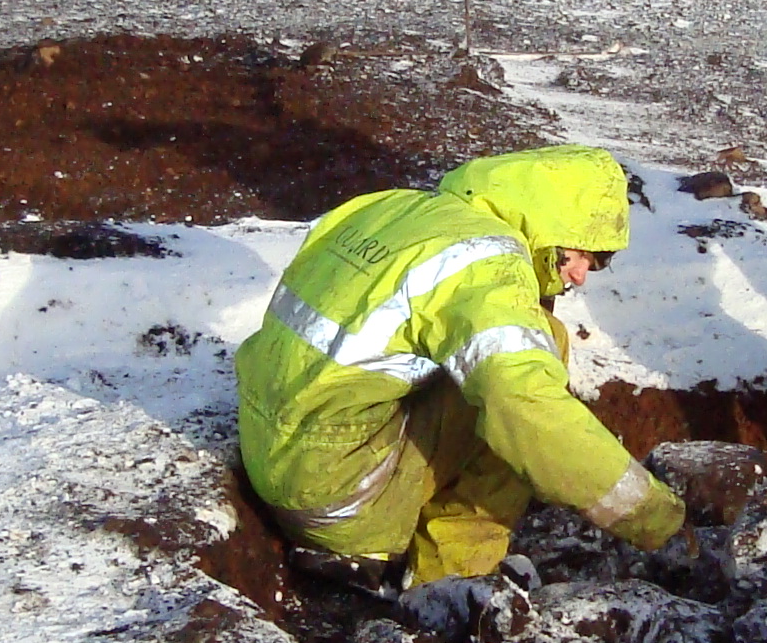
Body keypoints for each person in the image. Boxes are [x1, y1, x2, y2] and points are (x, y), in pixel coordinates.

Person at [235, 143, 687, 587]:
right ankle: (447, 578)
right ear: (553, 224)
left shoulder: (393, 209)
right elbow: (527, 408)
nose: (580, 276)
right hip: (344, 503)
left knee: (487, 362)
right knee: (527, 368)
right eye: (587, 255)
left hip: (270, 455)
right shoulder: (485, 260)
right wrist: (653, 516)